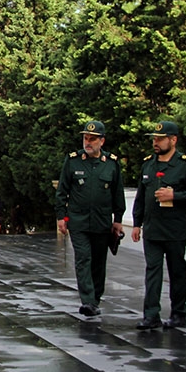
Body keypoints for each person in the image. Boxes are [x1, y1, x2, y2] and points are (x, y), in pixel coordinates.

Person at [131, 121, 186, 329]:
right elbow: (141, 197)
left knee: (177, 271)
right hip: (152, 228)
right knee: (152, 271)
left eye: (160, 139)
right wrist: (136, 223)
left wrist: (175, 195)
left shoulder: (185, 164)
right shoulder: (148, 164)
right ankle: (151, 315)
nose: (156, 142)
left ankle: (178, 314)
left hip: (174, 229)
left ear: (173, 140)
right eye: (154, 139)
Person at [55, 120, 125, 317]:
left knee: (98, 262)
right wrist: (61, 216)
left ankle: (95, 299)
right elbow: (62, 190)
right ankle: (87, 300)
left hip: (102, 222)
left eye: (93, 139)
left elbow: (117, 193)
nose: (88, 142)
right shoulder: (73, 160)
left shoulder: (111, 163)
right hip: (78, 221)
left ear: (102, 141)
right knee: (83, 258)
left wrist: (118, 219)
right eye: (86, 138)